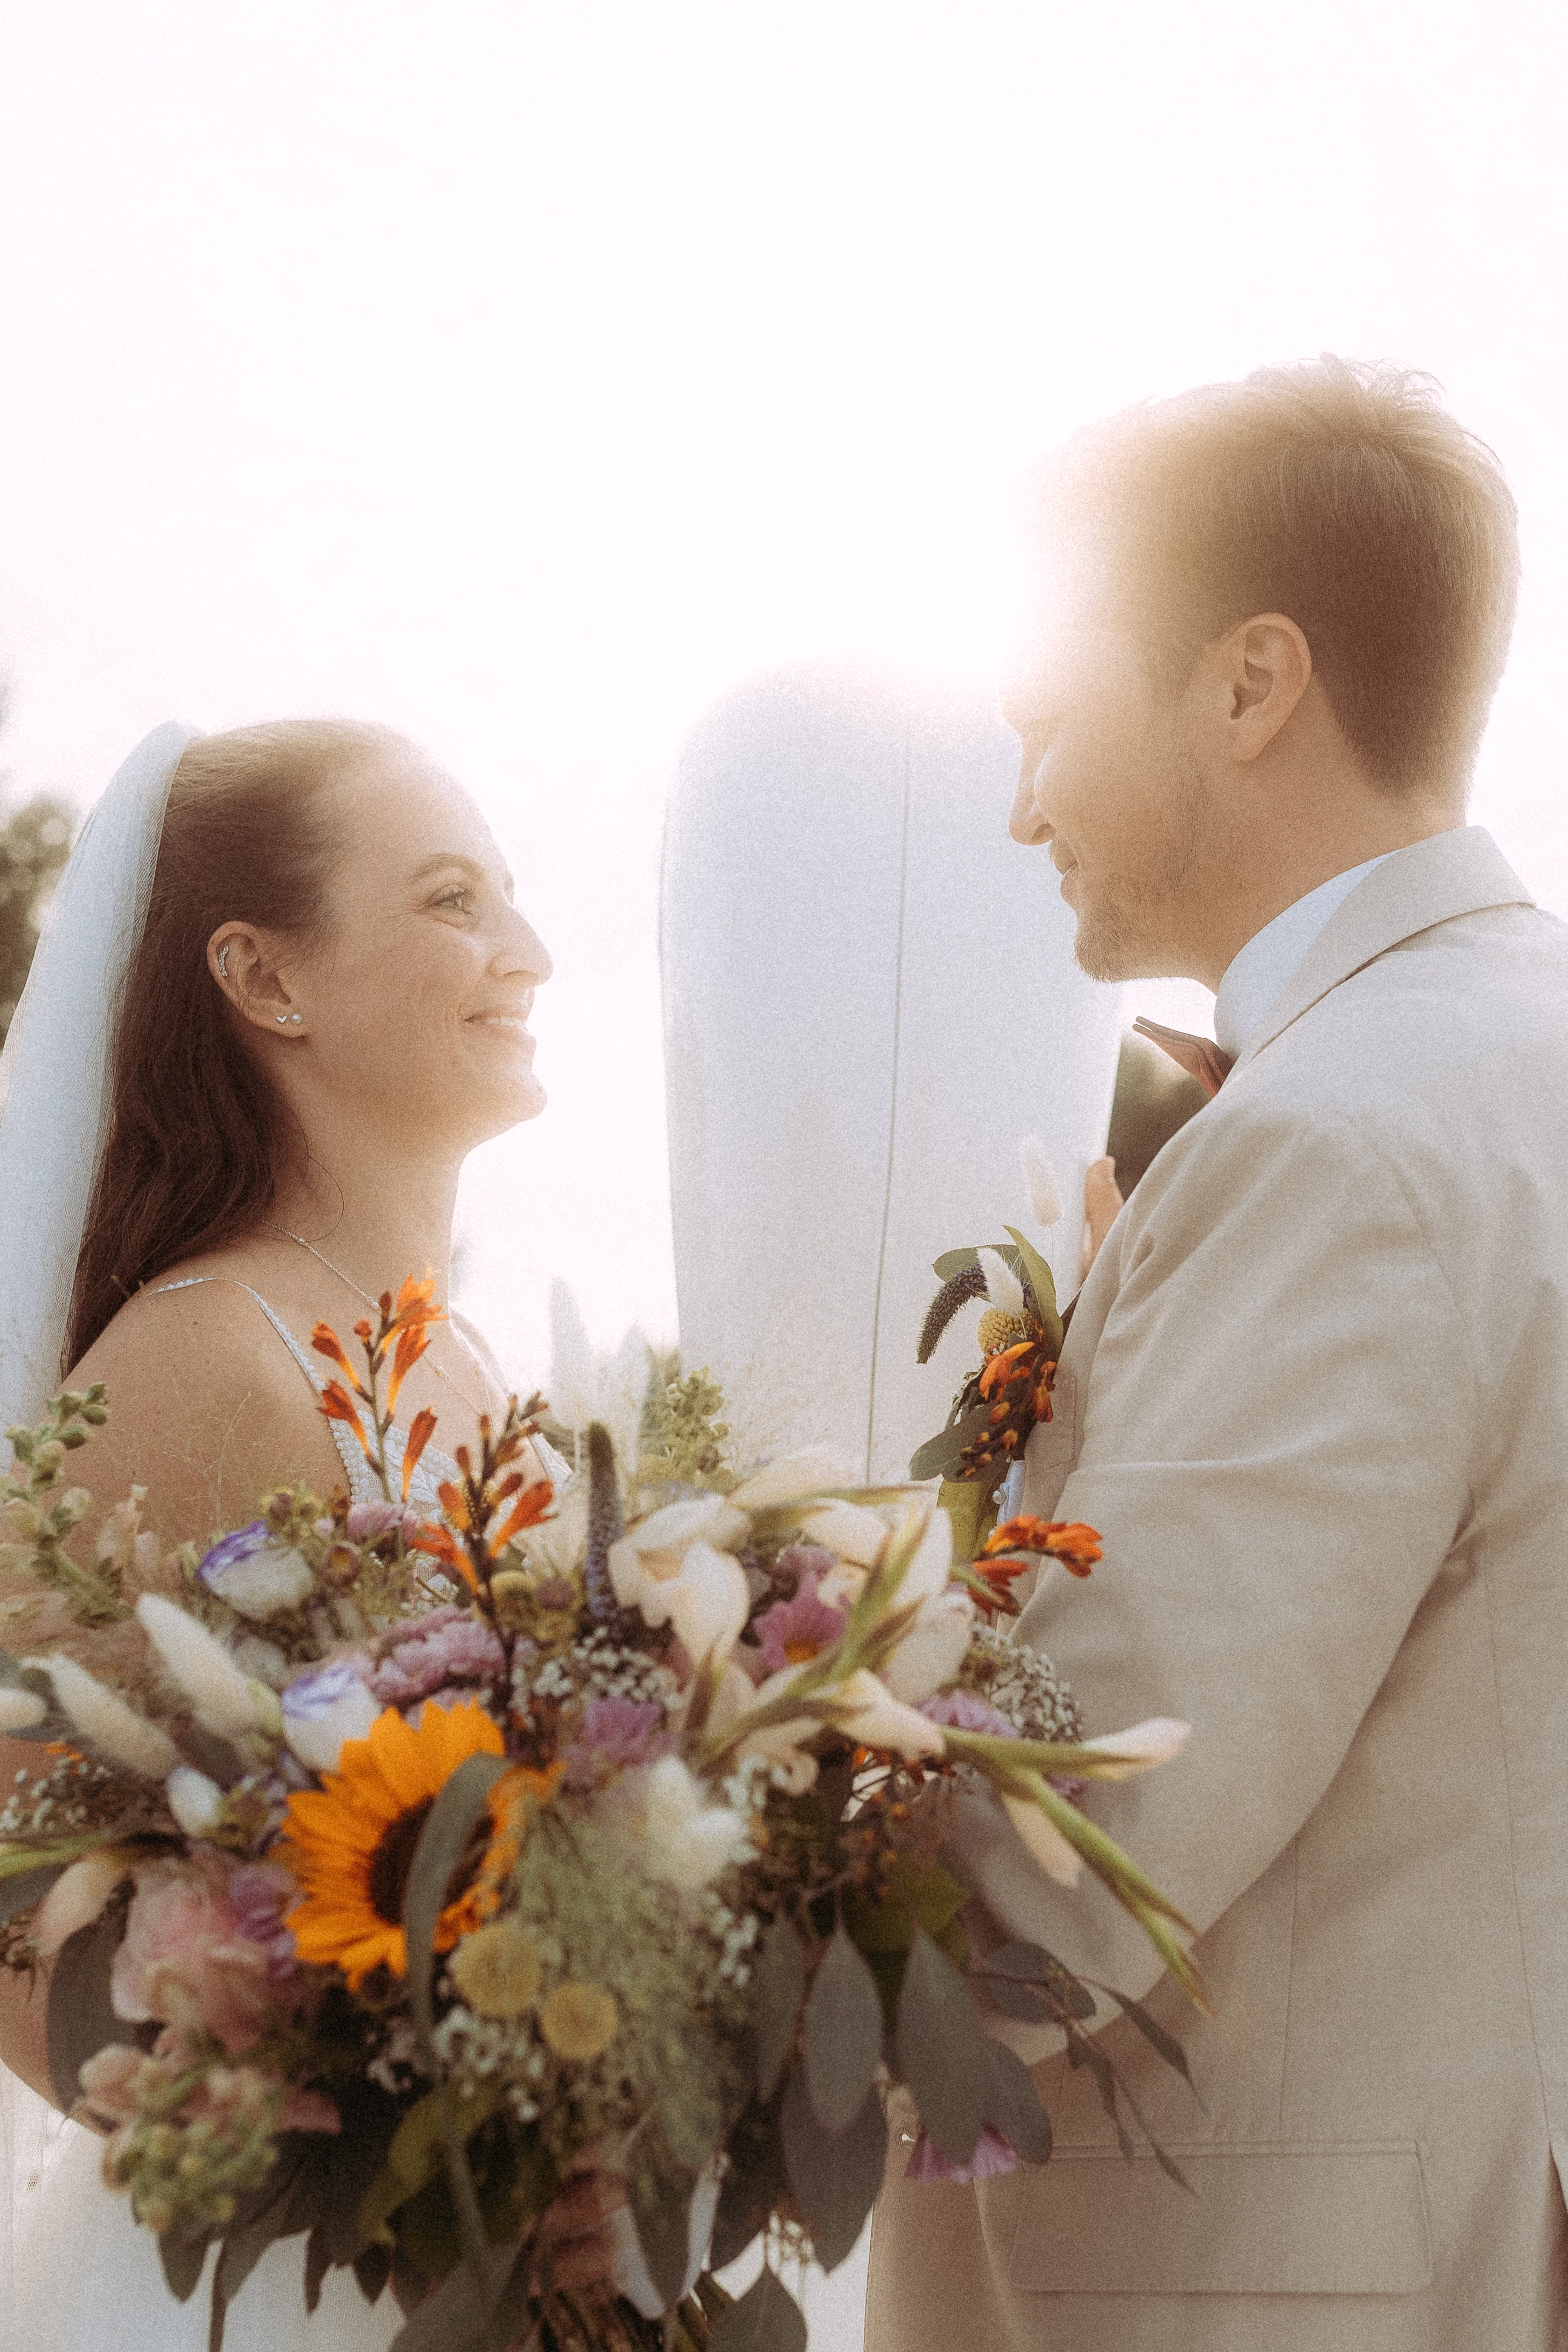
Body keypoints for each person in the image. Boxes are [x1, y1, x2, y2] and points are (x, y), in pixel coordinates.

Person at [866, 359, 1568, 2349]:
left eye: (1044, 721)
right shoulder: (1513, 1048)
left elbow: (1079, 1847)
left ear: (1250, 685)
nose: (1019, 807)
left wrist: (617, 1896)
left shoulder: (1332, 1141)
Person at [0, 719, 608, 2347]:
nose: (527, 956)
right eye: (452, 901)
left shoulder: (477, 1369)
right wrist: (368, 2151)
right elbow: (8, 1892)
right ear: (268, 982)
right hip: (281, 2282)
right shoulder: (198, 1356)